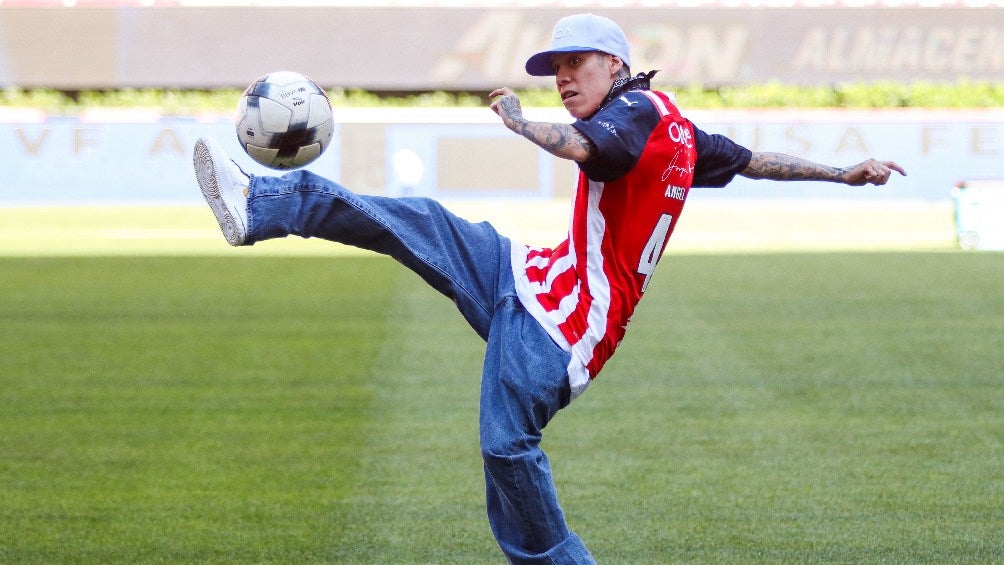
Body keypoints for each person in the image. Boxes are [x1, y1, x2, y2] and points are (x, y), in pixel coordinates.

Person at [193, 13, 906, 564]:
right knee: (420, 221)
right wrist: (842, 172)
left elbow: (588, 146)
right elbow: (756, 161)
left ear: (617, 66)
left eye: (576, 64)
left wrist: (520, 122)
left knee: (506, 448)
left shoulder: (629, 117)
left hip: (564, 329)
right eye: (554, 68)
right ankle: (261, 204)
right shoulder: (679, 128)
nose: (563, 78)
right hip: (529, 275)